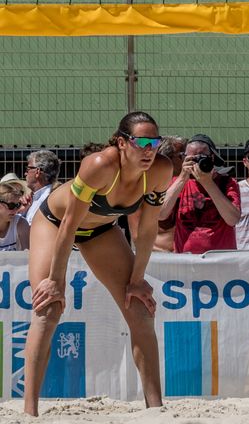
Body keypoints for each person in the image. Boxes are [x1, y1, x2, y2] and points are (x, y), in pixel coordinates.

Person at [24, 111, 171, 416]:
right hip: (54, 223)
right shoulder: (100, 165)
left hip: (100, 230)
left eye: (155, 142)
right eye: (141, 142)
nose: (149, 150)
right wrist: (56, 279)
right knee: (48, 309)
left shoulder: (160, 169)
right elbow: (68, 225)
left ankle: (156, 411)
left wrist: (138, 278)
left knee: (140, 308)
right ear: (121, 142)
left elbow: (146, 230)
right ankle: (29, 413)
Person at [159, 134, 241, 254]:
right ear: (184, 159)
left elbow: (233, 219)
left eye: (202, 158)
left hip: (220, 262)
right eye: (192, 159)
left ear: (212, 158)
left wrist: (208, 183)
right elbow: (161, 214)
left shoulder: (227, 182)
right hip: (186, 262)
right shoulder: (178, 183)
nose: (197, 163)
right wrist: (182, 177)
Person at [153, 136, 187, 252]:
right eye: (182, 155)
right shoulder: (149, 189)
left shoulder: (189, 185)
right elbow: (138, 234)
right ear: (167, 159)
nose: (187, 159)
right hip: (160, 259)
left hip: (188, 257)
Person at [24, 149, 61, 224]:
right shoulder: (33, 199)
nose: (25, 173)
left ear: (37, 172)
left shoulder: (47, 200)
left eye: (28, 169)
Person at [0, 179, 31, 251]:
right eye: (11, 205)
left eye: (18, 205)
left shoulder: (21, 223)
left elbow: (26, 257)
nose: (15, 210)